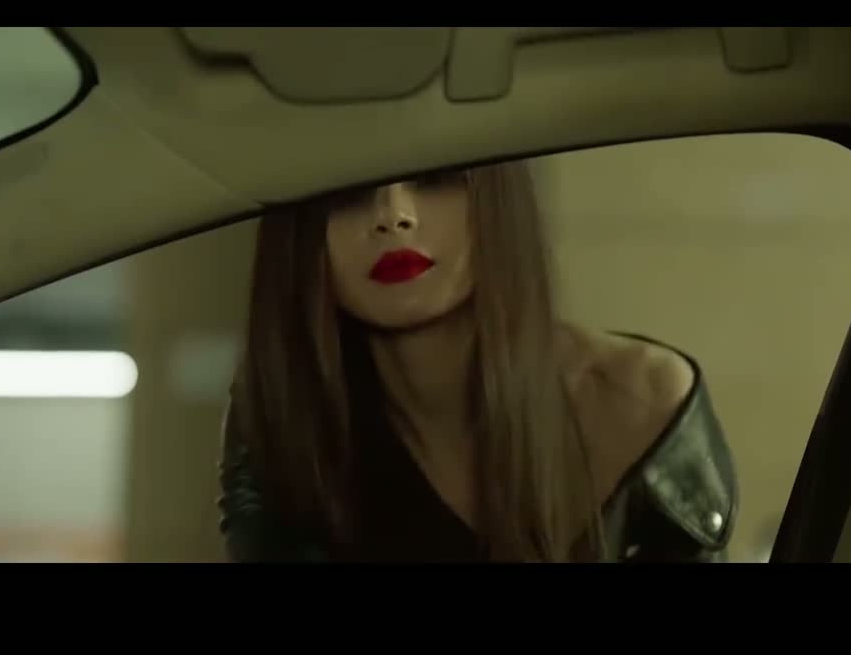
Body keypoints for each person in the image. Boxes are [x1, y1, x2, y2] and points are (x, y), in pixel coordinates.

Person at [216, 161, 738, 562]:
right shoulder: (287, 412)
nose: (394, 215)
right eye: (348, 189)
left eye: (434, 177)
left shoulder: (643, 403)